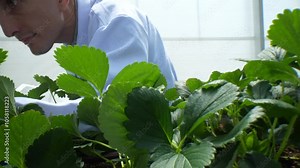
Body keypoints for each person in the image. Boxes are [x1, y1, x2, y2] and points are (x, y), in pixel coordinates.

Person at [0, 0, 177, 121]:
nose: (7, 30)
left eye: (13, 3)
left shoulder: (117, 22)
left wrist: (12, 109)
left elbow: (110, 114)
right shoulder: (82, 35)